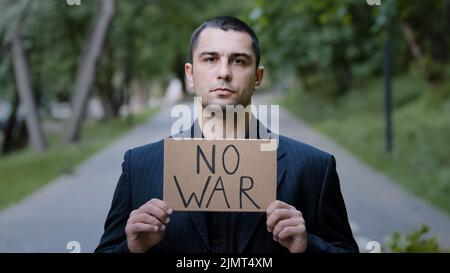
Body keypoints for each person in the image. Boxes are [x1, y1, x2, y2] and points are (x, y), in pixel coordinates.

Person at [95, 16, 358, 253]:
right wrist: (131, 250)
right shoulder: (139, 166)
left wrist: (308, 246)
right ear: (190, 74)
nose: (224, 72)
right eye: (210, 59)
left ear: (258, 76)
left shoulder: (314, 167)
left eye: (238, 60)